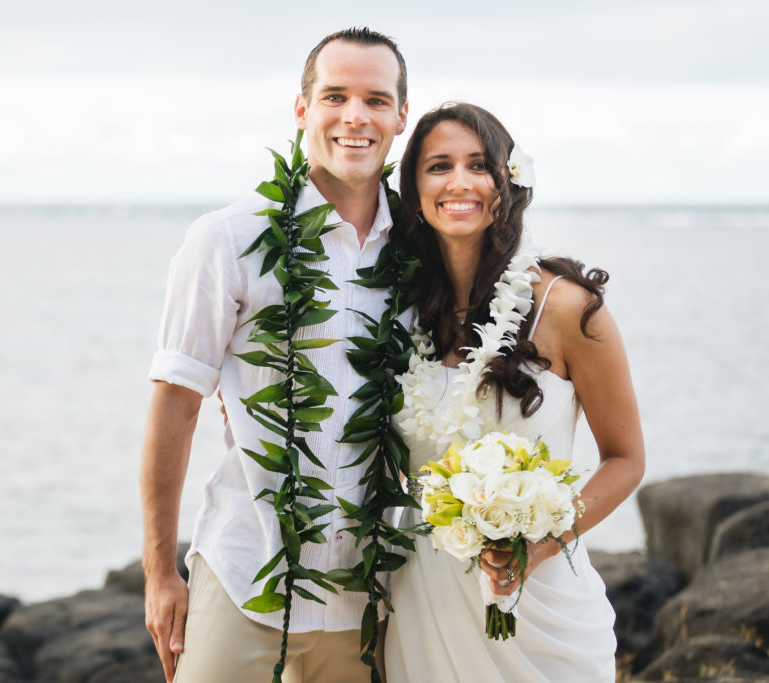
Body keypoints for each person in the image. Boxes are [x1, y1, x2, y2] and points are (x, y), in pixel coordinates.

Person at [140, 28, 410, 683]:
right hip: (244, 571)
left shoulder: (421, 251)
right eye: (335, 95)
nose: (355, 116)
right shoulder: (227, 239)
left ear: (401, 117)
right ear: (302, 110)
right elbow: (175, 405)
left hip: (368, 595)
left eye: (376, 99)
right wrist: (158, 571)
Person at [382, 102, 645, 682]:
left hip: (542, 608)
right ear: (414, 191)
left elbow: (626, 460)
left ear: (508, 180)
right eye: (438, 166)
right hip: (421, 597)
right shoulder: (396, 314)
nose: (459, 182)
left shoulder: (568, 307)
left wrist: (541, 546)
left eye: (479, 165)